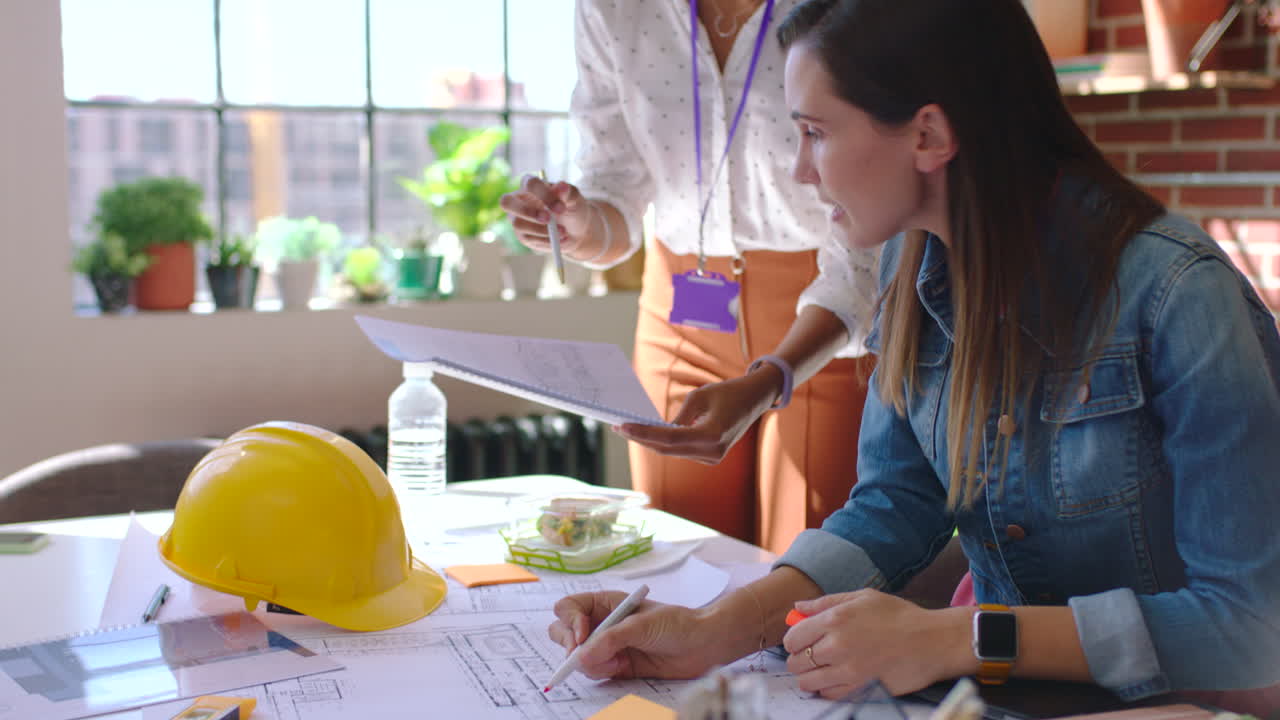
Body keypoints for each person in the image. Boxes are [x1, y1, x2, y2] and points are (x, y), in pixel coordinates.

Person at [543, 0, 1280, 711]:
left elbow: (1251, 630)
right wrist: (712, 631)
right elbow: (895, 507)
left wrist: (962, 638)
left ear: (928, 136)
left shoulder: (1179, 295)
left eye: (815, 132)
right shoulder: (910, 263)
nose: (802, 170)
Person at [499, 0, 880, 554]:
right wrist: (578, 223)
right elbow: (614, 188)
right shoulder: (613, 9)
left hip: (827, 322)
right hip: (679, 315)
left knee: (802, 580)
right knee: (678, 567)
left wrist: (775, 373)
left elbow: (872, 218)